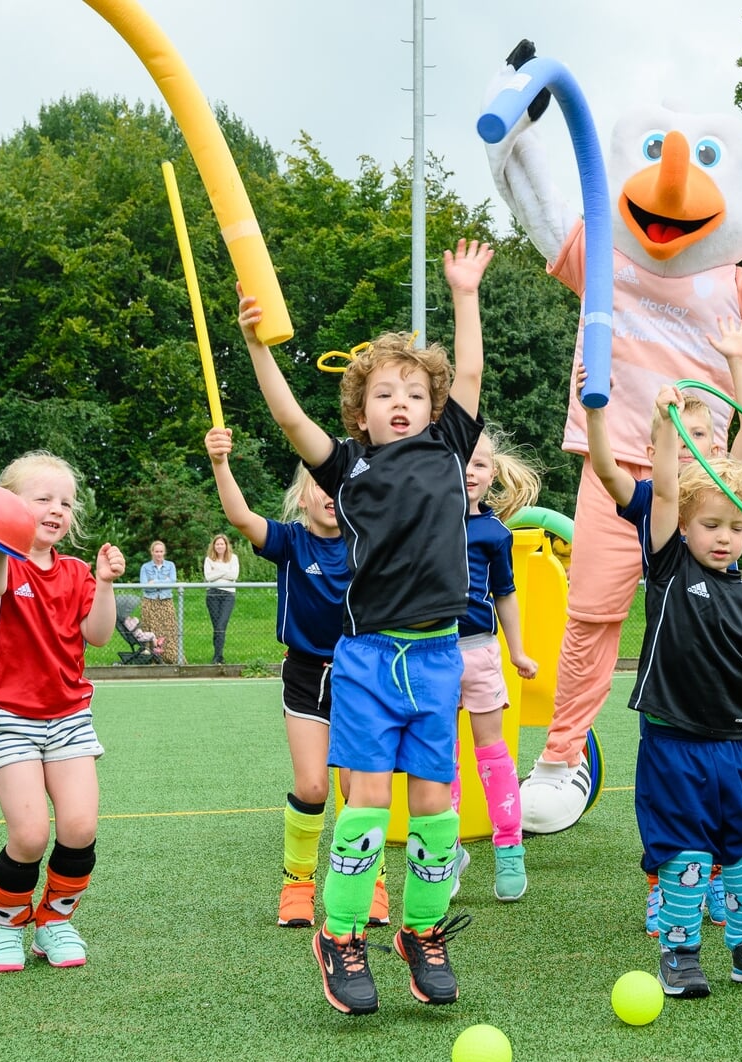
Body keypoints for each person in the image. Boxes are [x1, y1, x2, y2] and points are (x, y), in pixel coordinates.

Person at [239, 237, 493, 1015]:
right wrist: (257, 347)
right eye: (385, 393)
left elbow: (473, 371)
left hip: (438, 656)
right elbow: (287, 416)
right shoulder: (348, 468)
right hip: (369, 660)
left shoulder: (451, 450)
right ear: (360, 412)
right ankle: (341, 935)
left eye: (414, 392)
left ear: (434, 408)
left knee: (438, 809)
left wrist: (465, 293)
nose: (401, 403)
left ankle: (421, 931)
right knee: (366, 805)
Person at [583, 317, 742, 935]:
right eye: (687, 434)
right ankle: (668, 887)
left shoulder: (731, 504)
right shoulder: (667, 518)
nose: (705, 444)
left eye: (708, 434)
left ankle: (723, 886)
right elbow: (656, 487)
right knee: (676, 803)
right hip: (675, 685)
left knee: (730, 800)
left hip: (725, 680)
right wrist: (634, 419)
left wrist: (736, 361)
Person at [632, 385, 742, 998]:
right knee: (687, 855)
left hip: (731, 749)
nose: (724, 537)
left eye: (737, 526)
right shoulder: (670, 566)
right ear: (684, 526)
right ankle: (679, 953)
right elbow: (670, 488)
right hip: (675, 746)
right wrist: (664, 424)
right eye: (710, 524)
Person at [204, 429, 385, 930]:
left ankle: (370, 880)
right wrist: (221, 462)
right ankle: (297, 883)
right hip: (306, 674)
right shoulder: (290, 541)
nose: (330, 495)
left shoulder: (369, 543)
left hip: (363, 672)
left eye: (340, 485)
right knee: (312, 786)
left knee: (359, 788)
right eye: (321, 485)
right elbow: (240, 517)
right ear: (302, 495)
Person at [0, 452, 124, 973]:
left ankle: (55, 921)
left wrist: (104, 582)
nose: (56, 509)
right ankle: (5, 925)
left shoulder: (78, 571)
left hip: (69, 716)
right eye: (42, 499)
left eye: (65, 501)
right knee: (31, 834)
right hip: (8, 715)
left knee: (79, 828)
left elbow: (98, 636)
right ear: (13, 506)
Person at [452, 426, 541, 901]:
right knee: (438, 758)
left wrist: (517, 650)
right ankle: (444, 851)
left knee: (491, 754)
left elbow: (504, 595)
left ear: (492, 474)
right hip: (429, 653)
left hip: (480, 652)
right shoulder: (425, 520)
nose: (470, 471)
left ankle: (509, 848)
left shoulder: (494, 532)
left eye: (480, 463)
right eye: (461, 460)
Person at [202, 534, 239, 664]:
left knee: (221, 625)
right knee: (217, 626)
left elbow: (234, 575)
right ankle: (218, 656)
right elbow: (209, 577)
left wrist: (217, 571)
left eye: (222, 544)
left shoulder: (233, 558)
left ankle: (218, 656)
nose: (219, 546)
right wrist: (224, 572)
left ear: (226, 545)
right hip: (212, 595)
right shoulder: (208, 559)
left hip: (228, 595)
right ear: (214, 546)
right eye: (217, 544)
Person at [138, 540, 178, 660]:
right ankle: (152, 657)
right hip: (150, 601)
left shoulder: (170, 565)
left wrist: (154, 582)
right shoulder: (145, 567)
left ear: (164, 552)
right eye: (156, 551)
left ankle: (170, 656)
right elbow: (145, 586)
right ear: (152, 552)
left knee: (168, 628)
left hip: (166, 601)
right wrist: (163, 582)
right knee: (151, 628)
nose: (159, 554)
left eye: (161, 551)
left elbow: (172, 582)